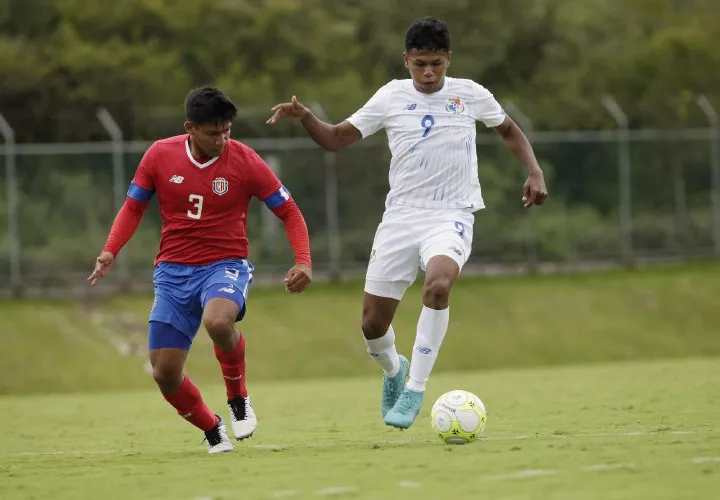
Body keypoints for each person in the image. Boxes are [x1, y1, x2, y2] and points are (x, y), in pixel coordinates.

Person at [267, 17, 547, 429]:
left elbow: (508, 131)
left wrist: (535, 170)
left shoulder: (470, 94)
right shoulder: (390, 97)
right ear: (406, 61)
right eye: (420, 64)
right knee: (372, 324)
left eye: (436, 63)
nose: (429, 72)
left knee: (437, 286)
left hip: (451, 214)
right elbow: (335, 139)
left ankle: (416, 387)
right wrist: (307, 116)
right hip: (400, 217)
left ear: (448, 59)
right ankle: (394, 372)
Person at [89, 87, 312, 453]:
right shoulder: (160, 155)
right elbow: (132, 208)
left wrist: (303, 259)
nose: (222, 139)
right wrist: (110, 250)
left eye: (227, 130)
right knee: (164, 372)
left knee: (219, 321)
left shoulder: (245, 160)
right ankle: (213, 429)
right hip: (172, 273)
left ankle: (238, 398)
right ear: (189, 127)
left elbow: (289, 211)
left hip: (224, 265)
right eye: (213, 132)